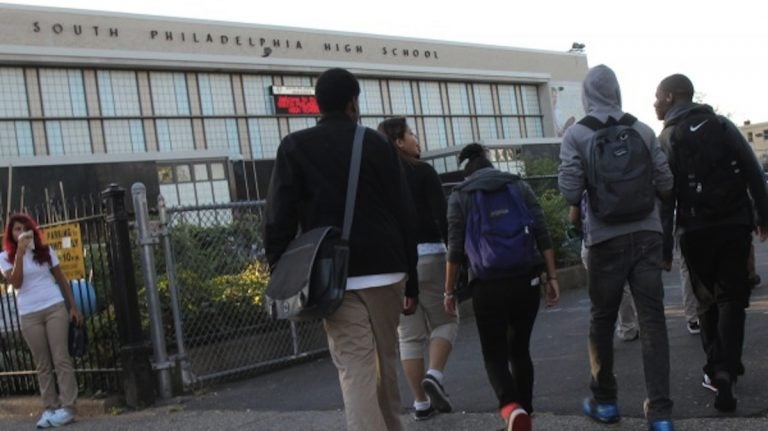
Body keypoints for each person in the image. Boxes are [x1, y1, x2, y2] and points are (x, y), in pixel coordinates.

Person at [264, 68, 418, 431]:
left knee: (355, 367)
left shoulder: (295, 147)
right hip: (387, 269)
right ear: (353, 102)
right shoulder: (377, 143)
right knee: (385, 360)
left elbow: (278, 218)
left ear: (318, 103)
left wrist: (281, 270)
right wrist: (410, 279)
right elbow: (404, 213)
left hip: (334, 276)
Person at [558, 64, 675, 431]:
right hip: (647, 234)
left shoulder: (577, 135)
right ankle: (660, 415)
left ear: (586, 95)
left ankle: (606, 402)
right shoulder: (642, 129)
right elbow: (667, 181)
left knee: (602, 319)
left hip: (605, 239)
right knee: (653, 321)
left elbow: (569, 192)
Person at [654, 73, 768, 412]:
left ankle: (714, 366)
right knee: (733, 298)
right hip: (734, 224)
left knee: (706, 301)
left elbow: (666, 196)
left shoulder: (667, 137)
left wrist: (664, 249)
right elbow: (752, 169)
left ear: (673, 96)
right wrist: (763, 215)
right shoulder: (721, 124)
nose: (655, 103)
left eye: (658, 96)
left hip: (695, 230)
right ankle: (726, 369)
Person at [444, 143, 560, 431]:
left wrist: (449, 292)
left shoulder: (460, 196)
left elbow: (455, 250)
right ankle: (526, 415)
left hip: (487, 285)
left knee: (494, 354)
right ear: (490, 166)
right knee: (519, 349)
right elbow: (541, 231)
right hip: (526, 278)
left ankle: (511, 408)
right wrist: (552, 277)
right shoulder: (518, 186)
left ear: (467, 172)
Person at [377, 117, 458, 421]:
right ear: (398, 141)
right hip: (430, 256)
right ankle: (434, 375)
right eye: (410, 133)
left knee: (409, 337)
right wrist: (456, 257)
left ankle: (421, 404)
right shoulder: (423, 171)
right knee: (446, 320)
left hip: (396, 265)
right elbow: (443, 216)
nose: (416, 137)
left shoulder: (381, 179)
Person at [0, 213, 83, 428]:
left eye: (24, 229)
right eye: (16, 229)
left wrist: (73, 306)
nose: (21, 233)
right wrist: (19, 253)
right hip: (29, 312)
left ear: (32, 231)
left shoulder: (46, 252)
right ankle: (50, 407)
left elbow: (61, 279)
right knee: (42, 363)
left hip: (53, 306)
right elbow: (16, 283)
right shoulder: (5, 257)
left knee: (60, 357)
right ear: (11, 235)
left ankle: (68, 407)